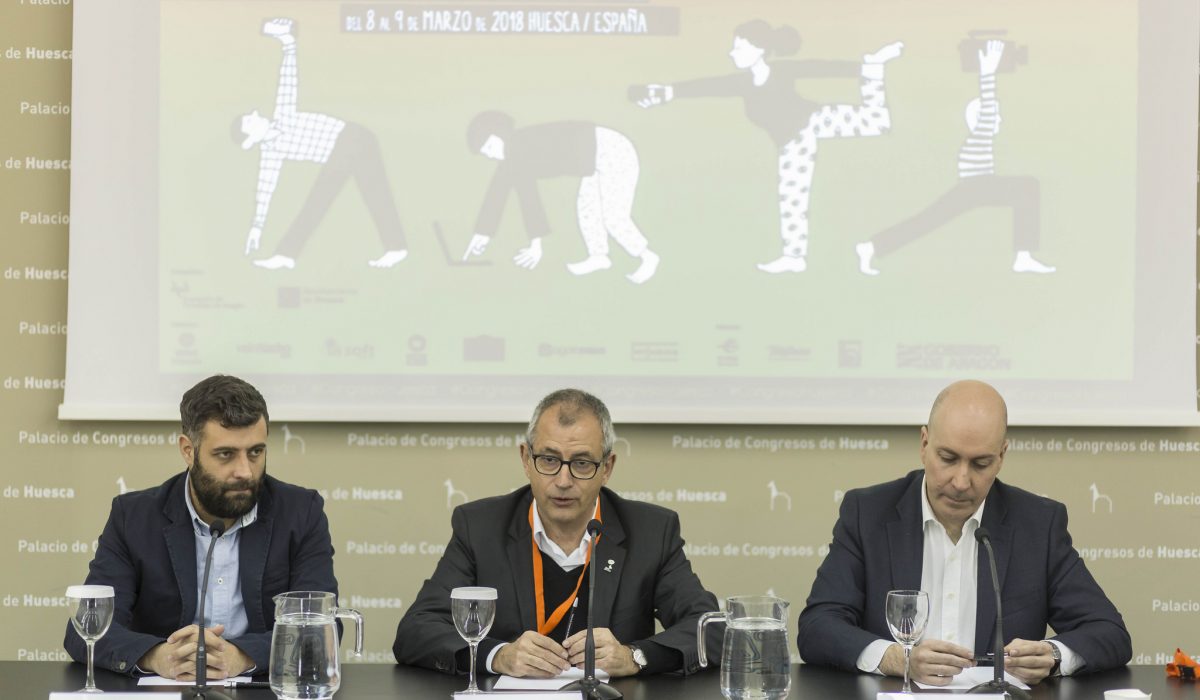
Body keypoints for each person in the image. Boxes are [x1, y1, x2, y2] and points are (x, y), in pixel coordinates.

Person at [797, 380, 1130, 685]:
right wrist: (897, 658)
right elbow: (818, 626)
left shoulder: (1037, 525)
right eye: (948, 458)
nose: (960, 481)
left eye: (980, 464)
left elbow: (1109, 632)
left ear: (1001, 457)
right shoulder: (868, 513)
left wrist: (1053, 655)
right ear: (924, 444)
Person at [393, 389, 720, 677]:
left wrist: (635, 656)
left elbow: (712, 627)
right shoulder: (480, 527)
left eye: (582, 463)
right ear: (526, 459)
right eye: (549, 460)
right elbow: (416, 629)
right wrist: (497, 656)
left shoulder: (651, 532)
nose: (563, 481)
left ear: (607, 468)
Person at [63, 375, 337, 680]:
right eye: (226, 454)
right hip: (165, 689)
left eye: (255, 452)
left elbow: (321, 627)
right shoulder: (134, 518)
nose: (245, 471)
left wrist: (242, 656)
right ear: (188, 450)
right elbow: (86, 629)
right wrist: (158, 656)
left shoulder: (300, 513)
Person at [633, 20, 902, 273]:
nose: (732, 53)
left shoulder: (782, 71)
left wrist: (865, 66)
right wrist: (667, 92)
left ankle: (874, 66)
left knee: (878, 121)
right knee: (792, 195)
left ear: (759, 49)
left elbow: (818, 67)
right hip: (792, 143)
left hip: (815, 120)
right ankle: (794, 258)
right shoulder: (743, 83)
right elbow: (710, 86)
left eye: (739, 47)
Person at [855, 40, 1055, 275]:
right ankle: (1023, 257)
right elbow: (987, 109)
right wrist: (988, 72)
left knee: (927, 220)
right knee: (1027, 186)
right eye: (995, 115)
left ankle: (871, 247)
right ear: (980, 119)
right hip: (977, 186)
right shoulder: (979, 134)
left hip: (975, 188)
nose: (998, 119)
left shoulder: (978, 139)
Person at [239, 18, 409, 270]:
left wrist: (288, 43)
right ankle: (396, 248)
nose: (255, 115)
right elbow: (264, 191)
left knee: (327, 195)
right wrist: (256, 227)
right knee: (370, 193)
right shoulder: (270, 153)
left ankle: (286, 254)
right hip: (346, 151)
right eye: (249, 122)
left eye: (251, 115)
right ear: (250, 140)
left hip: (354, 137)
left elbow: (288, 80)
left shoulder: (283, 115)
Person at [461, 112, 661, 284]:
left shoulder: (521, 148)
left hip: (613, 151)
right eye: (486, 153)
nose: (490, 155)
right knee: (588, 209)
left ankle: (647, 256)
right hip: (593, 162)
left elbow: (528, 198)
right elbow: (498, 190)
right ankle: (599, 256)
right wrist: (483, 233)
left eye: (489, 147)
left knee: (613, 216)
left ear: (501, 136)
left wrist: (536, 246)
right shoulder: (513, 154)